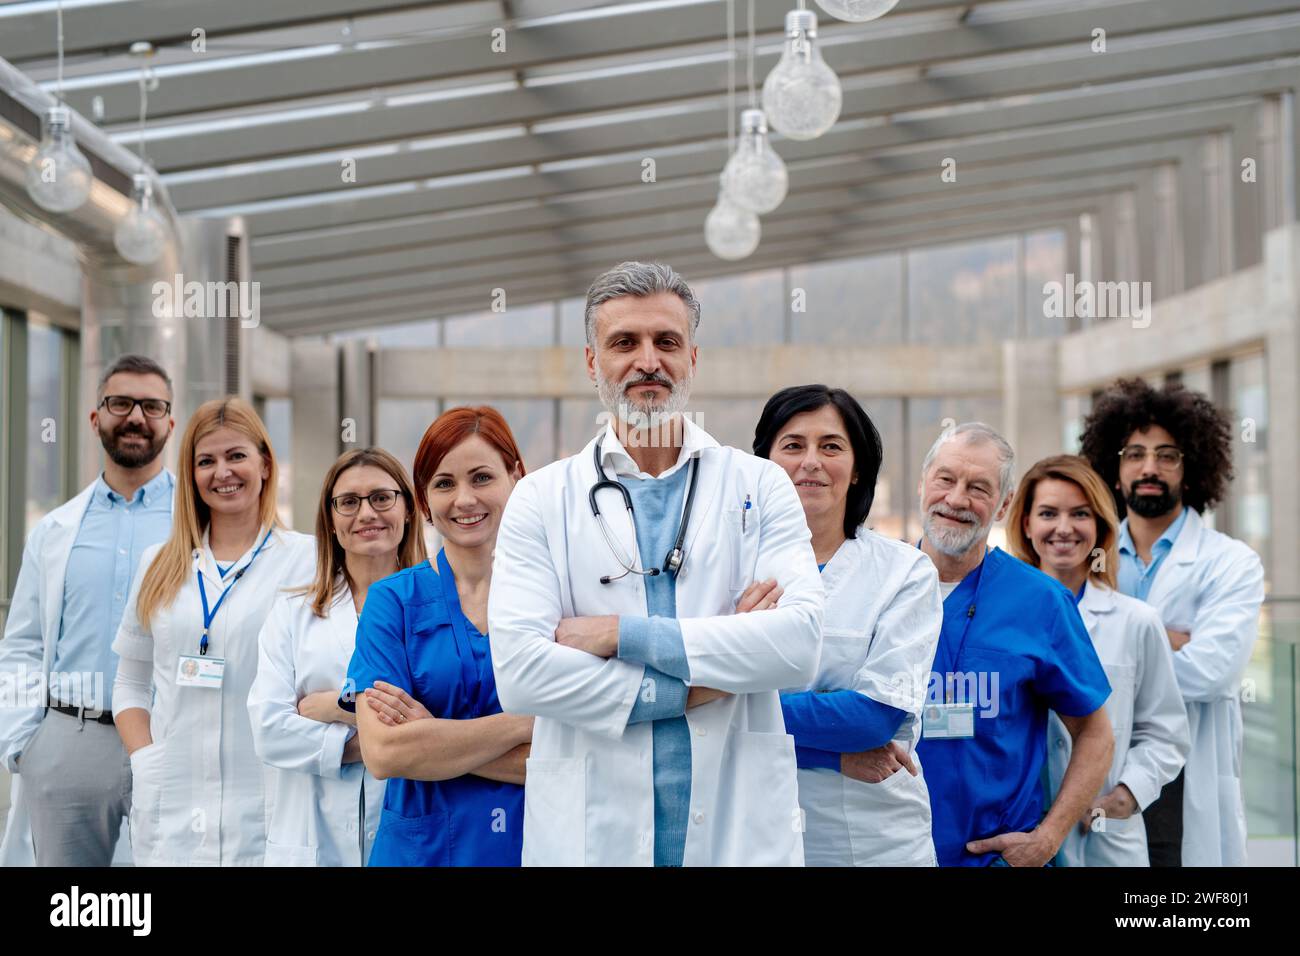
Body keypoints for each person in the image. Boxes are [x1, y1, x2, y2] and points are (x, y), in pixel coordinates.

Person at [489, 261, 823, 867]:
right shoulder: (542, 498)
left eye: (667, 341)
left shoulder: (759, 484)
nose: (649, 361)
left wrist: (621, 636)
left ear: (693, 356)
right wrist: (710, 677)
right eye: (624, 343)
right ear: (593, 362)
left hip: (738, 829)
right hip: (593, 837)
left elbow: (799, 646)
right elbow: (520, 674)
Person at [110, 397, 315, 866]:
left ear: (265, 463)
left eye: (236, 456)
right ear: (191, 475)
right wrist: (146, 760)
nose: (222, 472)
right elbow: (129, 684)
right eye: (206, 461)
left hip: (267, 799)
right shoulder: (158, 566)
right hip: (172, 803)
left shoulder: (309, 561)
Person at [911, 422, 1114, 867]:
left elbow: (1096, 733)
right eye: (946, 479)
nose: (957, 499)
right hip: (883, 852)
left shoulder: (1041, 601)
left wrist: (1048, 837)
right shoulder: (877, 586)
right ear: (923, 483)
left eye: (979, 488)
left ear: (1003, 506)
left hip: (993, 859)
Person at [0, 355, 176, 867]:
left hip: (168, 738)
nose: (136, 416)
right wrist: (24, 747)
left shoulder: (198, 525)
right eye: (120, 403)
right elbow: (23, 644)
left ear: (169, 420)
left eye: (151, 405)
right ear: (96, 418)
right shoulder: (55, 530)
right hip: (67, 743)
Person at [754, 385, 941, 866]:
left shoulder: (904, 572)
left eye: (831, 446)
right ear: (764, 464)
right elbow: (690, 715)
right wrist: (832, 755)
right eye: (793, 445)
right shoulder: (729, 570)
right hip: (754, 834)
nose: (811, 461)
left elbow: (873, 718)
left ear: (857, 469)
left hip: (874, 843)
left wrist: (743, 708)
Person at [1080, 379, 1264, 867]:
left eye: (1168, 455)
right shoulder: (1085, 556)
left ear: (1193, 468)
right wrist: (1168, 642)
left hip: (1184, 775)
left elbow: (1211, 672)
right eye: (1134, 453)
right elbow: (1059, 661)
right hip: (1098, 762)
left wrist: (1114, 652)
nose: (1149, 468)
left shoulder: (1232, 563)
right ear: (1113, 470)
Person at [342, 407, 532, 866]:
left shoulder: (553, 597)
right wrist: (529, 724)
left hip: (531, 847)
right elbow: (385, 752)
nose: (464, 499)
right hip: (421, 853)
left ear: (517, 477)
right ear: (423, 500)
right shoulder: (393, 603)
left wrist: (432, 738)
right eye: (444, 483)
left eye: (482, 477)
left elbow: (583, 755)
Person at [1006, 454, 1189, 866]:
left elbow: (1166, 731)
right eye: (1048, 513)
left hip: (1102, 840)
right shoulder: (1000, 621)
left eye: (1080, 514)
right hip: (1015, 832)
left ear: (1101, 526)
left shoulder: (1137, 622)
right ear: (1026, 525)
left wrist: (1125, 796)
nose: (1064, 528)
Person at [248, 448, 427, 866]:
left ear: (407, 509)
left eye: (382, 497)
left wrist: (337, 707)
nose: (366, 513)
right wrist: (377, 743)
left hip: (411, 833)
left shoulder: (441, 609)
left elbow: (450, 719)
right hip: (312, 842)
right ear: (330, 520)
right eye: (348, 502)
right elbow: (270, 730)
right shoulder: (292, 615)